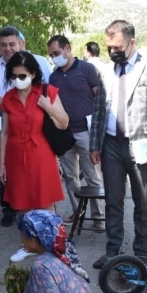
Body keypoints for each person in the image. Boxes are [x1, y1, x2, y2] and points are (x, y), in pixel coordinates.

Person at [90, 20, 147, 270]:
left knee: (142, 201)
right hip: (110, 145)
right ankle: (112, 252)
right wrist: (95, 145)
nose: (113, 52)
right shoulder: (105, 71)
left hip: (142, 144)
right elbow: (99, 110)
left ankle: (141, 254)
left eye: (117, 47)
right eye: (109, 48)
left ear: (131, 42)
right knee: (113, 201)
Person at [0, 51, 69, 262]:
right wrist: (1, 164)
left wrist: (47, 107)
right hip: (15, 152)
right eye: (14, 76)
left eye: (22, 75)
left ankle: (54, 245)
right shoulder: (8, 98)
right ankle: (28, 245)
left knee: (45, 202)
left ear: (33, 73)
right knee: (22, 204)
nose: (18, 80)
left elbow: (64, 122)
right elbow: (4, 132)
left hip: (41, 152)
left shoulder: (47, 92)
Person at [47, 34, 106, 232]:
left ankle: (98, 217)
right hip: (64, 134)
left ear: (67, 48)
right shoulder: (54, 76)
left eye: (56, 53)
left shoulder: (87, 69)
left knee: (92, 175)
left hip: (86, 132)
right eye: (51, 55)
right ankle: (78, 211)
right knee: (70, 176)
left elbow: (100, 98)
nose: (54, 57)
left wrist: (99, 128)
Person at [0, 26, 23, 227]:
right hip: (2, 122)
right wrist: (13, 109)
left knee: (24, 163)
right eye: (3, 45)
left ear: (19, 44)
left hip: (25, 124)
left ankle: (25, 204)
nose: (8, 48)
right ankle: (8, 208)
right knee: (3, 164)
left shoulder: (28, 64)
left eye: (11, 44)